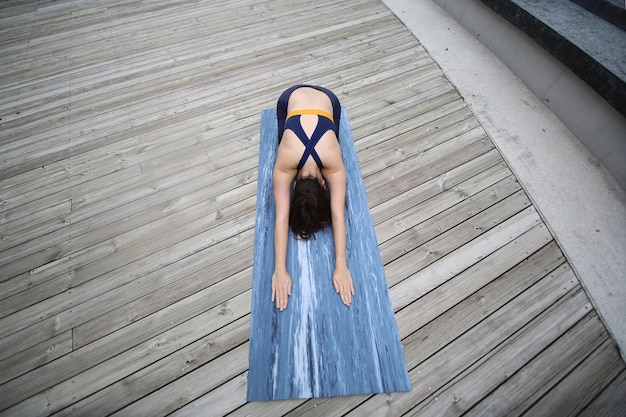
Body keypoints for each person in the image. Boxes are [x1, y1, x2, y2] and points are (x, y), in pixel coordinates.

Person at [271, 85, 354, 311]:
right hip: (305, 99)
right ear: (324, 184)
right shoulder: (333, 166)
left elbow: (281, 217)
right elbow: (337, 214)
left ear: (294, 184)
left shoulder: (284, 166)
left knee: (284, 137)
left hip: (307, 97)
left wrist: (280, 268)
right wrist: (340, 265)